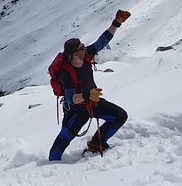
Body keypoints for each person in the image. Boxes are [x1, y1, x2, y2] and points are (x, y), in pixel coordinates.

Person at [48, 10, 130, 161]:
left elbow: (103, 41)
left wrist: (116, 22)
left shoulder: (86, 56)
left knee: (120, 116)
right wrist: (88, 95)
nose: (85, 48)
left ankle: (96, 145)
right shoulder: (67, 73)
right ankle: (51, 166)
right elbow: (71, 99)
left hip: (93, 104)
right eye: (81, 48)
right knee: (64, 139)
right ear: (75, 55)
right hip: (76, 111)